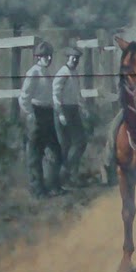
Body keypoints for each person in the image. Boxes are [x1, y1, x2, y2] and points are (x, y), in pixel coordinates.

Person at [19, 40, 62, 196]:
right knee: (35, 155)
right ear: (38, 57)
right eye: (45, 56)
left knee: (56, 151)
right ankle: (38, 190)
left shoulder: (48, 73)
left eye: (50, 56)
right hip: (36, 114)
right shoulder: (33, 73)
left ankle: (54, 186)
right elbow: (24, 97)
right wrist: (31, 113)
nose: (48, 59)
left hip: (48, 114)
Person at [53, 46, 88, 188]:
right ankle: (63, 178)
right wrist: (60, 113)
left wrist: (84, 108)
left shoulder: (75, 73)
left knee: (80, 142)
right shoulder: (62, 73)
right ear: (68, 58)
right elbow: (55, 95)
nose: (75, 60)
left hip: (74, 110)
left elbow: (78, 94)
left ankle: (69, 173)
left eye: (77, 58)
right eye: (73, 58)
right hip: (63, 111)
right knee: (65, 145)